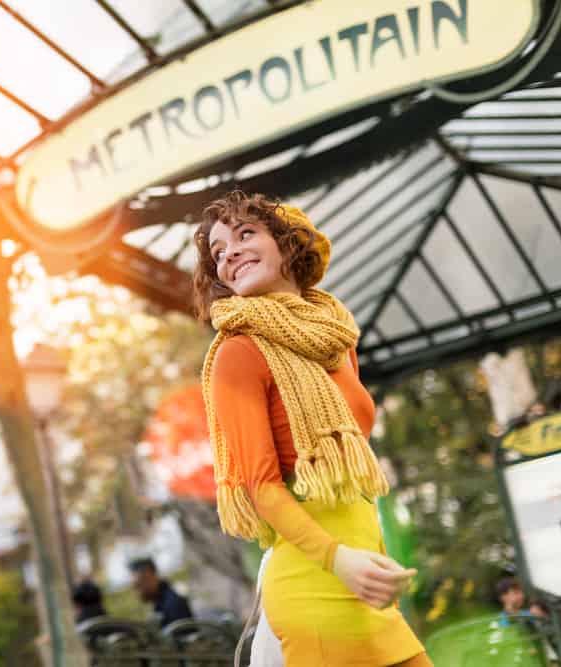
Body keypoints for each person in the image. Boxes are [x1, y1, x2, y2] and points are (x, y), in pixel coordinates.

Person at [194, 191, 431, 666]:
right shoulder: (237, 354)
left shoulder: (335, 342)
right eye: (219, 252)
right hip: (311, 586)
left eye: (245, 234)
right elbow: (260, 486)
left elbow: (355, 478)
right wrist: (338, 559)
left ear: (287, 243)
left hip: (367, 586)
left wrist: (373, 560)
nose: (231, 253)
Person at [128, 557, 194, 628]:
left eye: (138, 585)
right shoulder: (160, 604)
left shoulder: (172, 603)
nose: (137, 592)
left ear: (149, 577)